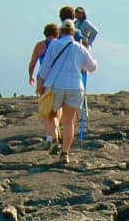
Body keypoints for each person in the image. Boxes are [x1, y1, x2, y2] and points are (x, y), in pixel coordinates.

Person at [35, 18, 98, 166]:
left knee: (50, 114)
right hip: (75, 87)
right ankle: (65, 153)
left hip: (55, 86)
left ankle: (54, 138)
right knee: (69, 122)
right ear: (73, 32)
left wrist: (40, 83)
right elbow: (92, 67)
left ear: (60, 32)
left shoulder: (54, 45)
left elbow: (45, 67)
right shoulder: (79, 47)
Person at [28, 22, 59, 151]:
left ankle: (50, 138)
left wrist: (31, 76)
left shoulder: (41, 46)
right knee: (56, 112)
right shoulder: (60, 45)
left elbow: (33, 62)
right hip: (59, 80)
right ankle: (55, 134)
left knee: (46, 111)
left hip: (44, 80)